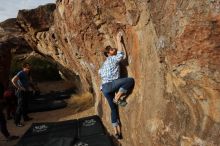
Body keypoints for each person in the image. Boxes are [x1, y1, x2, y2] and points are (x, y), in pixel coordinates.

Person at [98, 31, 134, 139]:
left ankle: (117, 131)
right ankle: (117, 97)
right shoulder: (112, 59)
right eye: (111, 50)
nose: (114, 49)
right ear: (108, 54)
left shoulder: (104, 64)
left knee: (113, 109)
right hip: (111, 85)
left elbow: (99, 72)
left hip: (104, 88)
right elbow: (121, 55)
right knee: (130, 80)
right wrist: (119, 40)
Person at [11, 63, 34, 127]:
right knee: (20, 107)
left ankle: (25, 117)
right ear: (23, 68)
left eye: (29, 68)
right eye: (27, 68)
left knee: (25, 105)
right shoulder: (21, 73)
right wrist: (20, 87)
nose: (29, 69)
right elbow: (13, 80)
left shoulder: (27, 74)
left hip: (26, 91)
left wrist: (29, 87)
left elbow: (27, 82)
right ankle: (17, 122)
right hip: (21, 92)